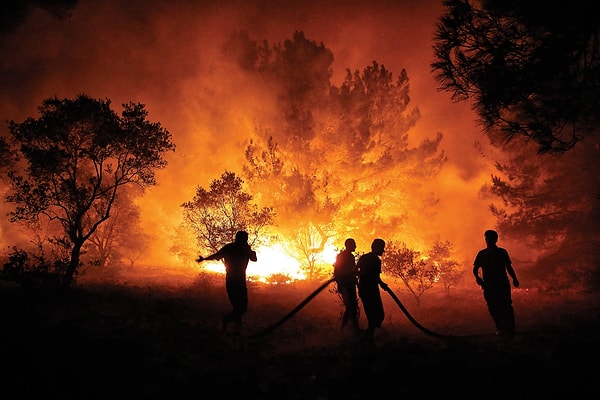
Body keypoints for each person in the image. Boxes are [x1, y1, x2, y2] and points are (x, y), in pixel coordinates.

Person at [196, 230, 257, 334]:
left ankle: (237, 330)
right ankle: (226, 321)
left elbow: (217, 255)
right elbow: (254, 259)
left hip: (232, 281)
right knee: (241, 308)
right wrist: (250, 251)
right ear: (244, 239)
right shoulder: (244, 249)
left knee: (238, 307)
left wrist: (204, 259)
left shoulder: (230, 248)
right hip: (238, 282)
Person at [473, 229, 520, 336]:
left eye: (489, 238)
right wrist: (477, 278)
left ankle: (510, 329)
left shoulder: (502, 252)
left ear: (495, 239)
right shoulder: (482, 254)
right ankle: (500, 328)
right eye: (486, 238)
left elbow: (508, 267)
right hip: (488, 285)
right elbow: (475, 268)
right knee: (493, 306)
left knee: (506, 305)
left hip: (502, 283)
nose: (487, 240)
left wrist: (514, 279)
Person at [357, 238, 388, 344]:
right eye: (382, 248)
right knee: (376, 314)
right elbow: (375, 277)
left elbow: (356, 270)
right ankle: (367, 339)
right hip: (370, 290)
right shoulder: (375, 261)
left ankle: (368, 337)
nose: (383, 251)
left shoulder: (364, 258)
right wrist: (381, 284)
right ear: (376, 247)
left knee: (374, 314)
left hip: (364, 290)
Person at [333, 238, 360, 331]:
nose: (355, 246)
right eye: (354, 244)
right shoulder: (342, 256)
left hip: (351, 284)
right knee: (350, 306)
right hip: (346, 285)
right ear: (349, 245)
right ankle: (344, 327)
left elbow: (352, 271)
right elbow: (336, 272)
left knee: (353, 306)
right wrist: (340, 285)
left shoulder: (351, 257)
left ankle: (353, 327)